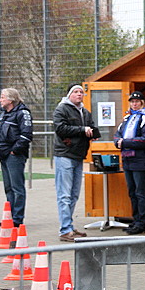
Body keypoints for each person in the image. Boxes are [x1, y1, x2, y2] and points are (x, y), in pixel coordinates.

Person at [53, 84, 100, 242]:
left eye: (81, 92)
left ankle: (69, 226)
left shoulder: (85, 112)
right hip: (64, 155)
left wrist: (94, 133)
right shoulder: (62, 109)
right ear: (69, 95)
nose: (79, 94)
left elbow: (90, 126)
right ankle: (65, 229)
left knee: (74, 194)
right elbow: (61, 129)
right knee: (64, 195)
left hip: (79, 156)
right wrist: (82, 129)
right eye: (76, 92)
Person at [113, 91, 145, 235]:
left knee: (141, 192)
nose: (134, 104)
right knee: (132, 192)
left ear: (143, 103)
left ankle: (141, 223)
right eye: (132, 102)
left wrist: (125, 142)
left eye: (137, 102)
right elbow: (117, 135)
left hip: (142, 160)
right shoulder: (127, 118)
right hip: (127, 159)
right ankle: (135, 220)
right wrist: (118, 142)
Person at [0, 88, 33, 227]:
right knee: (8, 187)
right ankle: (9, 216)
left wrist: (14, 151)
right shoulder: (5, 114)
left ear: (10, 100)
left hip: (14, 155)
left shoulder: (23, 113)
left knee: (17, 188)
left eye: (2, 97)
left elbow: (26, 135)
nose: (0, 100)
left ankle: (17, 218)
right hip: (4, 155)